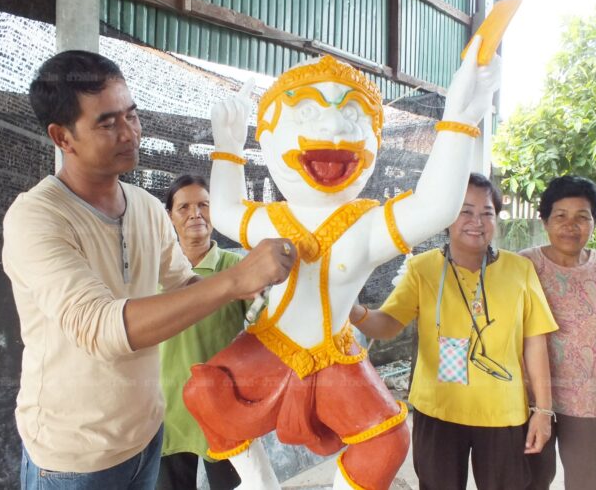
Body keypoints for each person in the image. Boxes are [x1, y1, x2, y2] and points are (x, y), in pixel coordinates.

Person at [183, 36, 503, 490]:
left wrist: (459, 120)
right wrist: (229, 149)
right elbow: (227, 211)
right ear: (269, 138)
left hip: (334, 356)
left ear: (373, 138)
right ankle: (260, 482)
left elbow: (435, 207)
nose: (334, 132)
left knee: (387, 442)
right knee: (204, 392)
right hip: (270, 345)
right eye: (309, 114)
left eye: (353, 116)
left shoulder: (368, 223)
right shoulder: (273, 219)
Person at [2, 50, 295, 490]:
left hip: (146, 434)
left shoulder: (143, 206)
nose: (130, 133)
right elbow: (100, 327)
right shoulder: (37, 217)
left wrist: (259, 295)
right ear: (62, 137)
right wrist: (235, 279)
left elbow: (183, 282)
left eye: (132, 116)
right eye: (107, 123)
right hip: (75, 458)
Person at [349, 173, 559, 490]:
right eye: (465, 211)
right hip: (438, 409)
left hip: (502, 412)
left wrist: (543, 411)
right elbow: (389, 324)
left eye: (486, 212)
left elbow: (535, 343)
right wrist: (353, 311)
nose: (477, 221)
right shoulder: (423, 269)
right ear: (447, 218)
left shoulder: (520, 270)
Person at [520, 175, 596, 490]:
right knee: (526, 481)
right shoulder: (523, 267)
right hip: (528, 400)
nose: (571, 226)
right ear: (544, 220)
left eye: (582, 218)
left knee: (594, 484)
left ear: (594, 223)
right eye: (560, 216)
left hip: (591, 401)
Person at [157, 174, 243, 490]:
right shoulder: (153, 269)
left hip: (226, 409)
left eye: (204, 205)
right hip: (167, 412)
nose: (196, 214)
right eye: (184, 207)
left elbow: (265, 326)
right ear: (169, 216)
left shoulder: (236, 269)